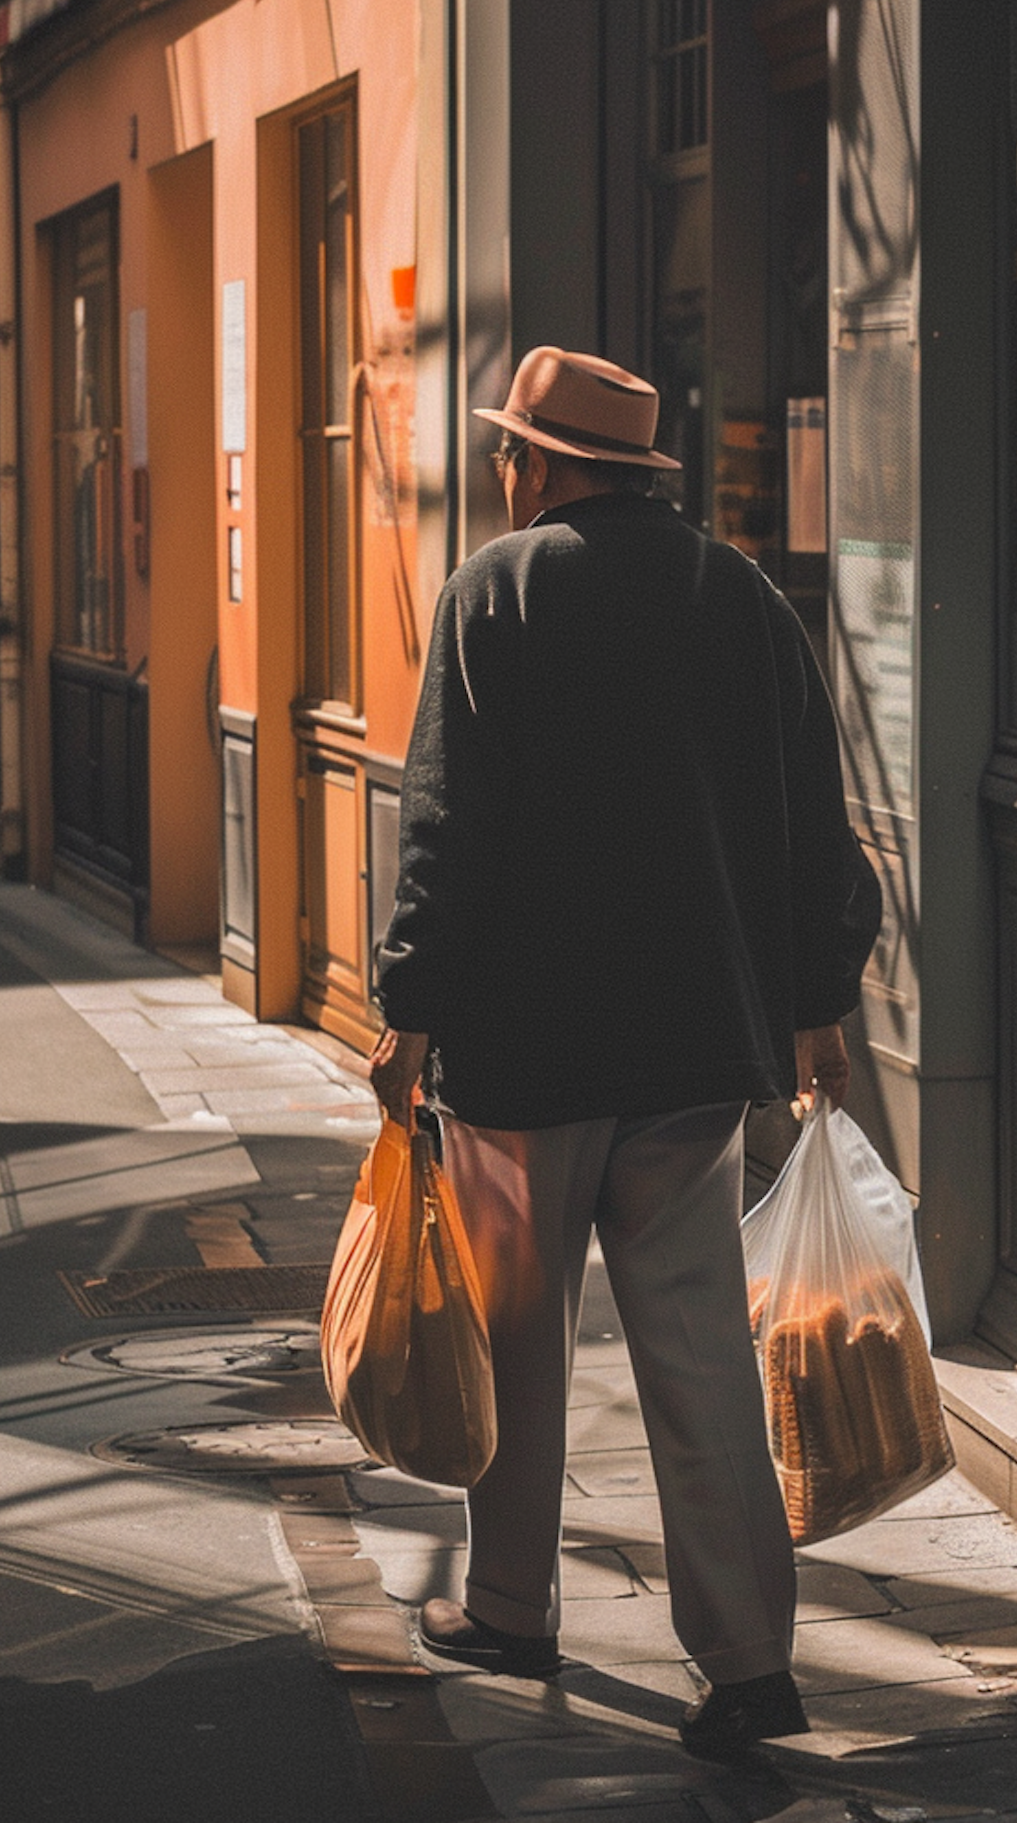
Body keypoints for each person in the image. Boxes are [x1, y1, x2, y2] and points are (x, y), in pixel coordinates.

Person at [370, 345, 877, 1762]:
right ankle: (752, 1665)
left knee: (518, 1347)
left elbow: (446, 833)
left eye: (508, 449)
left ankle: (515, 1608)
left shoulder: (500, 589)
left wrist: (410, 1011)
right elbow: (815, 824)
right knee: (702, 1355)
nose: (501, 469)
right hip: (692, 1050)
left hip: (527, 1053)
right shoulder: (742, 596)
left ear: (537, 461)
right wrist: (815, 1001)